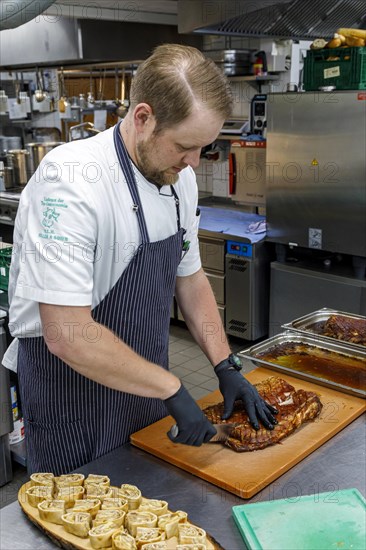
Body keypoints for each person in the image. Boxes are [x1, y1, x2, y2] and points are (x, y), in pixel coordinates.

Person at [4, 44, 277, 475]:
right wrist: (172, 389)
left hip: (145, 385)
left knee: (146, 510)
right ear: (143, 117)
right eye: (185, 146)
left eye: (203, 149)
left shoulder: (177, 181)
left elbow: (190, 279)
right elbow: (67, 332)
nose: (193, 163)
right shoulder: (71, 180)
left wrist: (225, 364)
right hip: (70, 395)